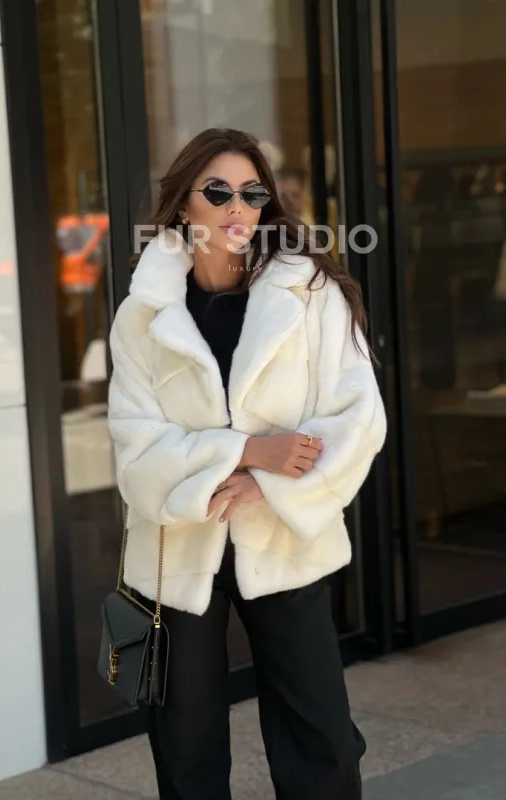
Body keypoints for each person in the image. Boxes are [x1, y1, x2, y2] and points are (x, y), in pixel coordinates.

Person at [106, 127, 386, 800]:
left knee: (322, 741)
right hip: (176, 551)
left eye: (252, 193)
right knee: (186, 751)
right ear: (184, 204)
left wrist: (264, 483)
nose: (238, 207)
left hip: (284, 539)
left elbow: (358, 418)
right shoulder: (143, 315)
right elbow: (137, 454)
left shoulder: (308, 293)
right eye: (218, 191)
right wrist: (247, 452)